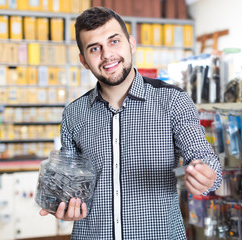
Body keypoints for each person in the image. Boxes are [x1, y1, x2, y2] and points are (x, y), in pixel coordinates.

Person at [39, 6, 222, 239]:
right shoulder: (73, 114)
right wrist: (63, 204)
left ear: (131, 44)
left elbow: (203, 156)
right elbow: (70, 182)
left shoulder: (173, 100)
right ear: (84, 60)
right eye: (95, 49)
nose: (107, 55)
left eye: (114, 42)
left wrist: (206, 176)